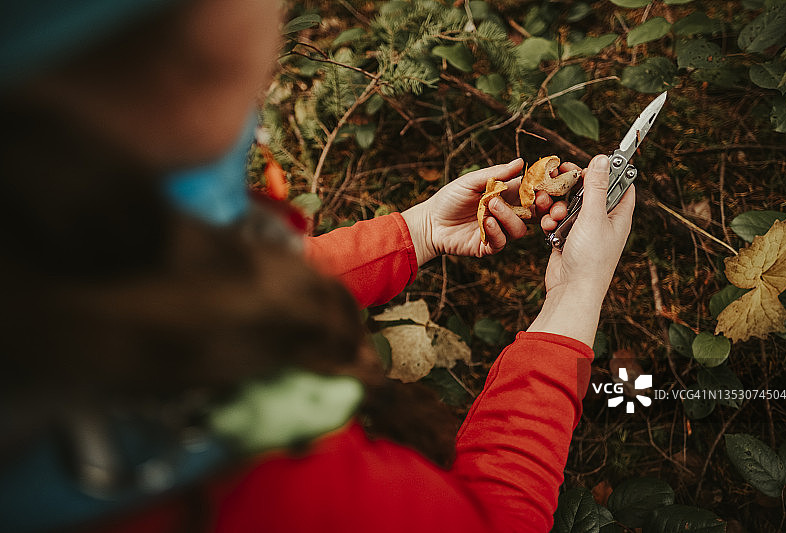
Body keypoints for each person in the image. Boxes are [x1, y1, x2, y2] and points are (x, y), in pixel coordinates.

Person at [0, 0, 634, 532]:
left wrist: (413, 234)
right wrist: (573, 300)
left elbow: (201, 286)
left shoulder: (80, 226)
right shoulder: (245, 485)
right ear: (183, 35)